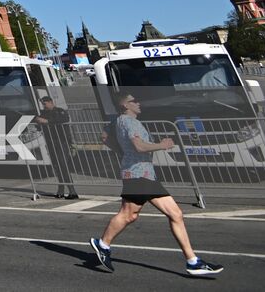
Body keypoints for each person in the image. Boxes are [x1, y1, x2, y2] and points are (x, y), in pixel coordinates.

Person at [89, 92, 222, 276]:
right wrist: (162, 145)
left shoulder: (117, 121)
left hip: (143, 175)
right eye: (134, 100)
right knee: (128, 215)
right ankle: (102, 244)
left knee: (173, 214)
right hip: (137, 175)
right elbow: (139, 146)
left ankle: (193, 262)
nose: (138, 102)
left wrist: (122, 152)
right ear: (125, 106)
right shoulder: (129, 122)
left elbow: (104, 136)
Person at [33, 95, 79, 199]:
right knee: (57, 167)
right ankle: (61, 190)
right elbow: (39, 122)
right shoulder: (44, 113)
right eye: (42, 104)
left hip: (61, 141)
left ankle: (72, 191)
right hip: (51, 142)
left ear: (51, 102)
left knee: (63, 165)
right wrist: (38, 120)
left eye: (45, 104)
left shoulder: (59, 111)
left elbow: (63, 119)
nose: (44, 106)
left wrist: (47, 122)